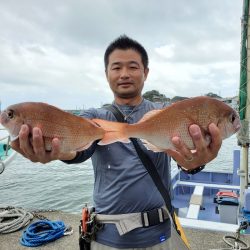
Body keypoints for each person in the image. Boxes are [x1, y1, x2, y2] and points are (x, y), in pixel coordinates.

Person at [11, 35, 222, 249]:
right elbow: (81, 150)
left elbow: (185, 158)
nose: (124, 74)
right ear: (106, 74)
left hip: (161, 234)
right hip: (107, 238)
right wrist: (59, 151)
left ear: (145, 72)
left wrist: (197, 162)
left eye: (132, 67)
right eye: (116, 67)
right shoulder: (94, 116)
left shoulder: (165, 114)